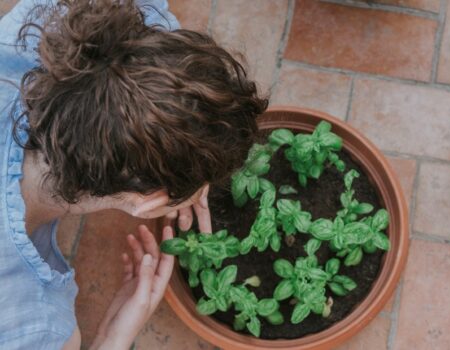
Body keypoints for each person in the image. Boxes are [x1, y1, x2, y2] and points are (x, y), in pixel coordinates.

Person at [0, 0, 267, 348]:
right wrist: (113, 337)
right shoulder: (33, 323)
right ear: (149, 201)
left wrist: (176, 132)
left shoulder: (31, 31)